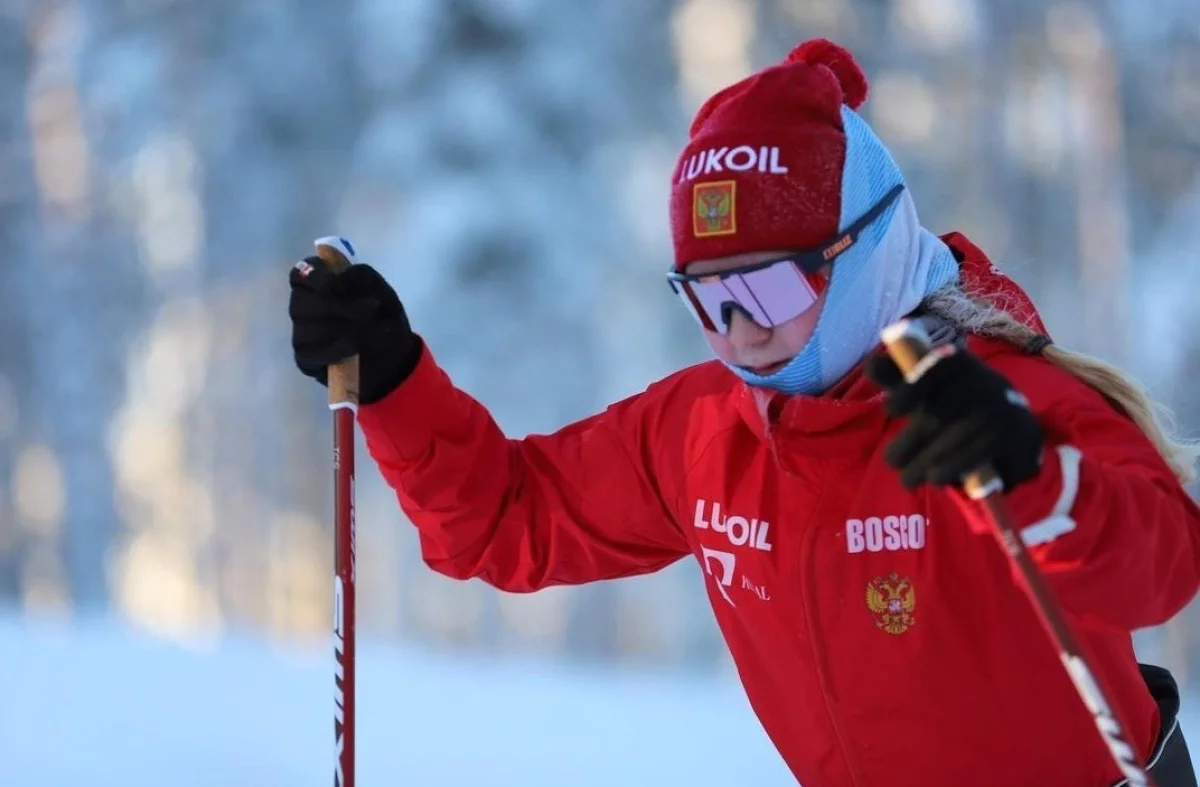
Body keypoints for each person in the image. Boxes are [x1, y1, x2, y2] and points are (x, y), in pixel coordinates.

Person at [287, 38, 1200, 786]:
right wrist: (395, 382)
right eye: (707, 296)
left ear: (867, 249)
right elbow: (505, 517)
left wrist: (1035, 474)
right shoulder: (706, 430)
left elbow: (1164, 564)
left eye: (766, 288)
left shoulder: (994, 401)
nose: (739, 331)